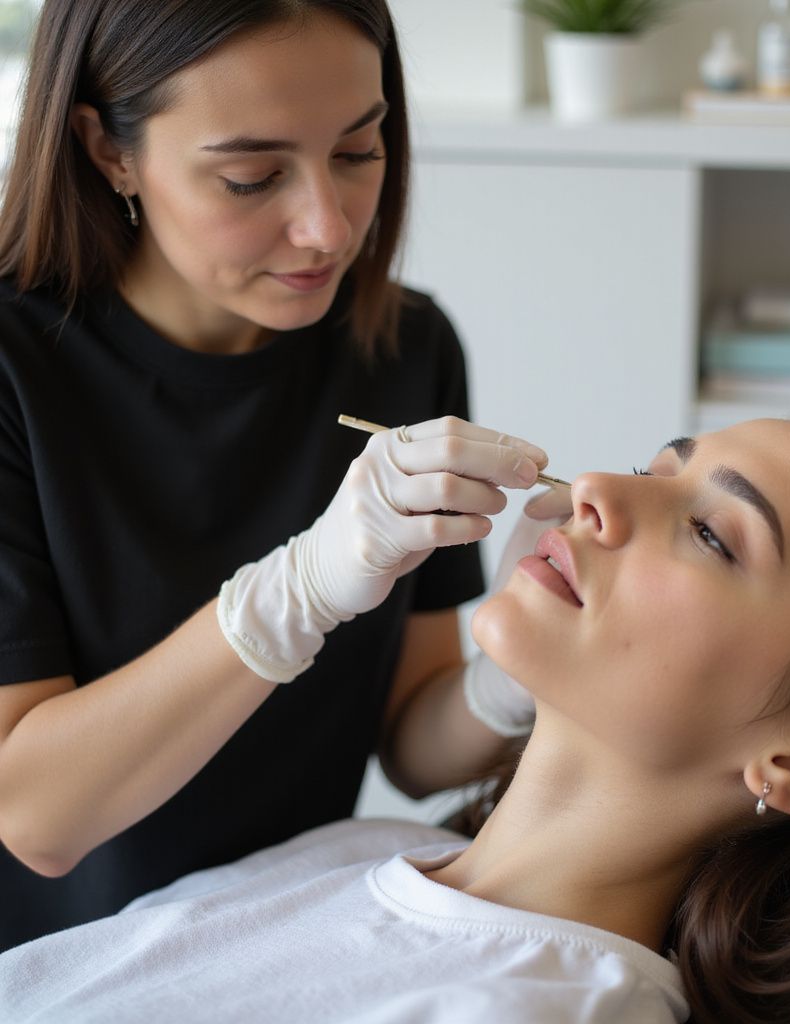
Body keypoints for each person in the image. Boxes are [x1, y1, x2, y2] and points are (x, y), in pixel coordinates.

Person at [2, 414, 790, 1024]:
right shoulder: (370, 848)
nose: (599, 494)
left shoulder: (544, 1008)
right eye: (658, 467)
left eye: (712, 534)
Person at [0, 0, 554, 950]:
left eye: (358, 152)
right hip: (61, 968)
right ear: (107, 150)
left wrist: (512, 674)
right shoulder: (17, 369)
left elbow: (411, 750)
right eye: (252, 177)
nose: (327, 229)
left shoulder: (404, 347)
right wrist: (298, 589)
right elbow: (35, 816)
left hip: (280, 942)